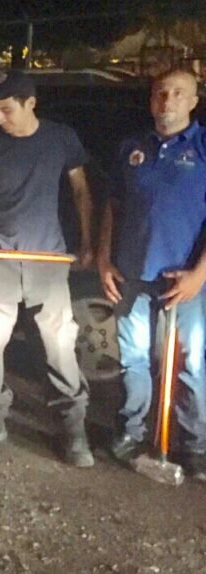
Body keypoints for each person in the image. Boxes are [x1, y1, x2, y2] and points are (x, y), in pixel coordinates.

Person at [0, 70, 96, 467]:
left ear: (31, 103)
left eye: (6, 110)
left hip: (47, 260)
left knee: (60, 346)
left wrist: (88, 242)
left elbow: (81, 192)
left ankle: (73, 429)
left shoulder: (61, 139)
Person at [98, 69, 206, 480]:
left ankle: (195, 447)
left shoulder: (202, 146)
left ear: (193, 101)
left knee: (191, 364)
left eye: (178, 93)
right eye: (161, 93)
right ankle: (131, 433)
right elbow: (113, 206)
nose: (168, 100)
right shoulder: (132, 148)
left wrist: (198, 275)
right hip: (132, 275)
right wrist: (105, 258)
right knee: (134, 360)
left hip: (186, 280)